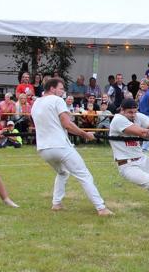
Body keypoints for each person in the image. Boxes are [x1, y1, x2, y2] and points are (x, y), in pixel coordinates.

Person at [32, 77, 111, 216]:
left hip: (43, 148)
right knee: (84, 174)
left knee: (62, 172)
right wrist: (85, 135)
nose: (63, 92)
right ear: (52, 88)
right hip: (60, 146)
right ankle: (101, 208)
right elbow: (67, 124)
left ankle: (56, 203)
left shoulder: (36, 103)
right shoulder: (57, 100)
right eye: (61, 89)